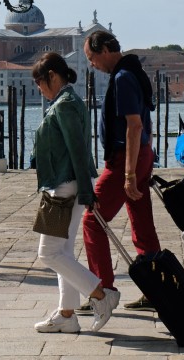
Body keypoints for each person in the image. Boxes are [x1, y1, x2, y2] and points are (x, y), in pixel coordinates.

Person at [30, 52, 118, 333]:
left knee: (48, 253)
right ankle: (67, 315)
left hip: (66, 186)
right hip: (67, 183)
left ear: (53, 77)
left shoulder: (66, 104)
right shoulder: (67, 101)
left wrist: (86, 190)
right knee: (63, 251)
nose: (39, 89)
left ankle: (101, 295)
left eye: (40, 83)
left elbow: (78, 150)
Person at [79, 30, 161, 313]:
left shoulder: (123, 78)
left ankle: (102, 291)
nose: (92, 65)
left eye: (91, 58)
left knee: (93, 219)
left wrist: (127, 174)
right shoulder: (132, 71)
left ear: (103, 50)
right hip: (142, 155)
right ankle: (155, 289)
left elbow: (134, 126)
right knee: (141, 220)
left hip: (127, 159)